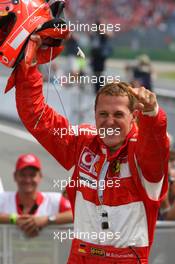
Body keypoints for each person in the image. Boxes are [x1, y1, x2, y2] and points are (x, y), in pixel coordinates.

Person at [14, 35, 169, 263]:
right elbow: (37, 117)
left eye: (118, 115)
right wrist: (28, 65)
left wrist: (153, 116)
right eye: (103, 115)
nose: (109, 122)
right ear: (94, 115)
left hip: (126, 258)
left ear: (134, 117)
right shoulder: (82, 142)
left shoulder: (142, 154)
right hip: (81, 255)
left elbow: (155, 146)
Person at [0, 153, 73, 237]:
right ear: (15, 176)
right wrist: (13, 219)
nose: (28, 180)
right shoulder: (3, 199)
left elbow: (75, 214)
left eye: (32, 175)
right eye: (23, 175)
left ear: (40, 176)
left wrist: (47, 220)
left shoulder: (55, 200)